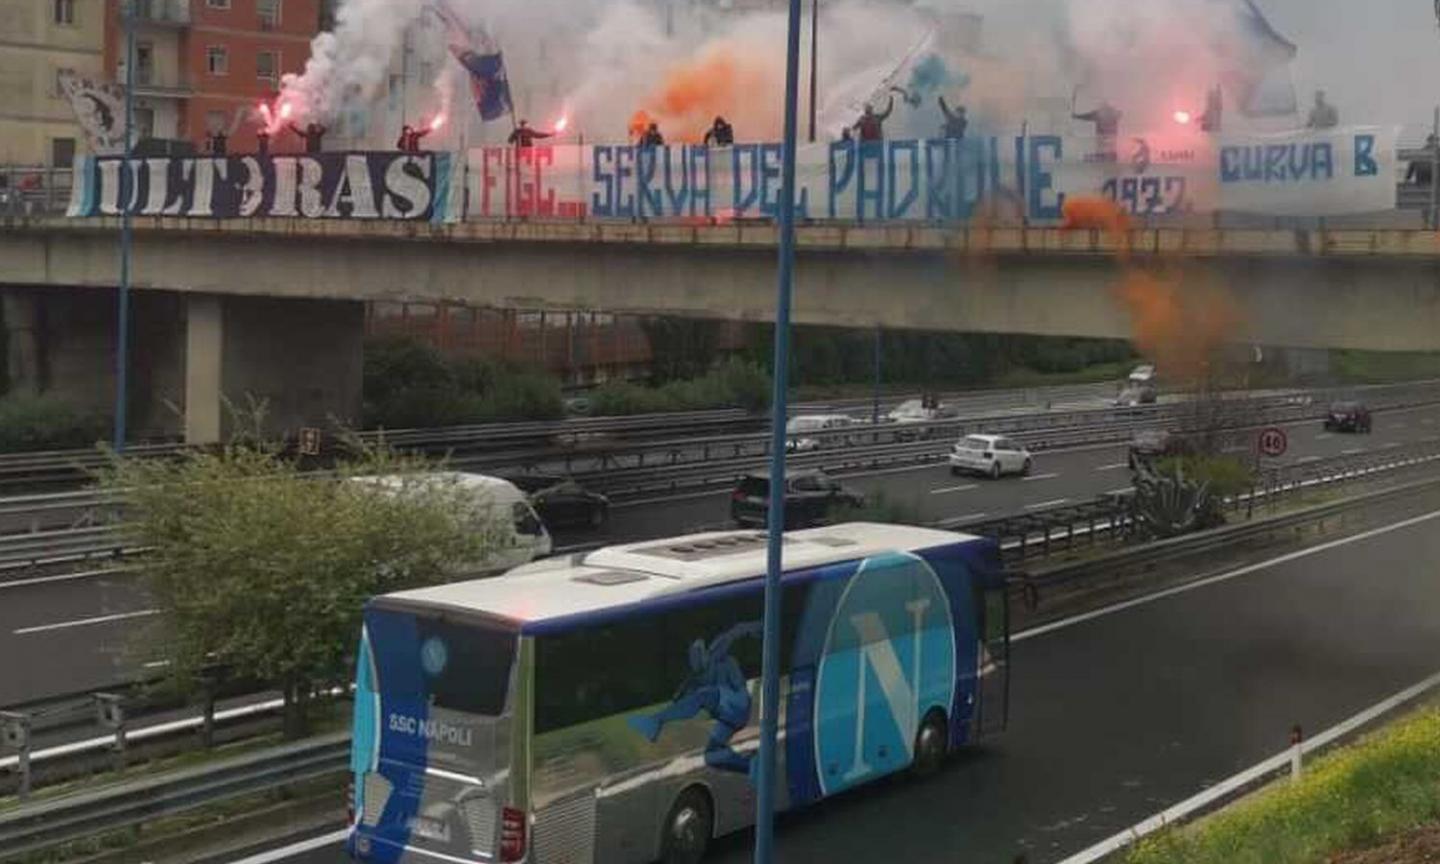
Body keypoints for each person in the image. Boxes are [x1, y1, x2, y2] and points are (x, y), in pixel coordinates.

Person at [627, 622, 762, 776]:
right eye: (691, 658)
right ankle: (751, 766)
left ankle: (656, 720)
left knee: (704, 694)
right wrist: (681, 695)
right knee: (712, 756)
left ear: (703, 652)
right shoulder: (695, 677)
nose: (694, 662)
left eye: (697, 656)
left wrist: (753, 627)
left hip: (738, 703)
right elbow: (683, 702)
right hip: (728, 716)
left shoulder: (717, 652)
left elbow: (733, 632)